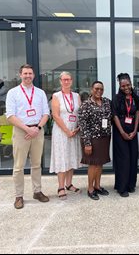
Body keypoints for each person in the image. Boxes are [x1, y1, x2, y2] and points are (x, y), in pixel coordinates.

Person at [6, 64, 50, 210]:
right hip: (21, 131)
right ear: (20, 75)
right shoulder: (13, 93)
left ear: (34, 75)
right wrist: (27, 129)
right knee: (18, 166)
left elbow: (46, 114)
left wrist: (36, 128)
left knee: (36, 164)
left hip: (37, 130)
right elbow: (10, 116)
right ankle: (19, 196)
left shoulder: (40, 93)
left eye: (30, 73)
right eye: (25, 73)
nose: (28, 76)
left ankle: (37, 191)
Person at [50, 72, 82, 200]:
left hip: (74, 132)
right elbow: (56, 115)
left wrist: (78, 128)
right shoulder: (56, 96)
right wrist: (66, 131)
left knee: (71, 157)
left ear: (72, 80)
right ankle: (61, 187)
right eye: (64, 79)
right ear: (60, 81)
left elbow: (80, 113)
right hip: (61, 132)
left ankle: (69, 184)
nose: (66, 82)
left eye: (68, 79)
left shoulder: (76, 96)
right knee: (62, 157)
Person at [78, 81, 112, 201]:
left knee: (100, 163)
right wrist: (87, 143)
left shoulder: (107, 102)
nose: (99, 91)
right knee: (93, 164)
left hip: (104, 137)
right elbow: (83, 125)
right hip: (92, 139)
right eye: (96, 88)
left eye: (101, 89)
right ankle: (90, 188)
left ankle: (97, 186)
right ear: (91, 89)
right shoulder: (86, 105)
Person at [112, 73, 139, 197]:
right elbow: (115, 116)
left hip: (133, 131)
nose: (126, 87)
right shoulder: (116, 98)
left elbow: (137, 114)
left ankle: (130, 185)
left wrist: (135, 131)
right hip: (120, 132)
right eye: (123, 86)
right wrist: (122, 132)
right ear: (120, 86)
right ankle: (121, 187)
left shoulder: (136, 97)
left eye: (128, 85)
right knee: (123, 159)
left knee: (133, 158)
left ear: (131, 84)